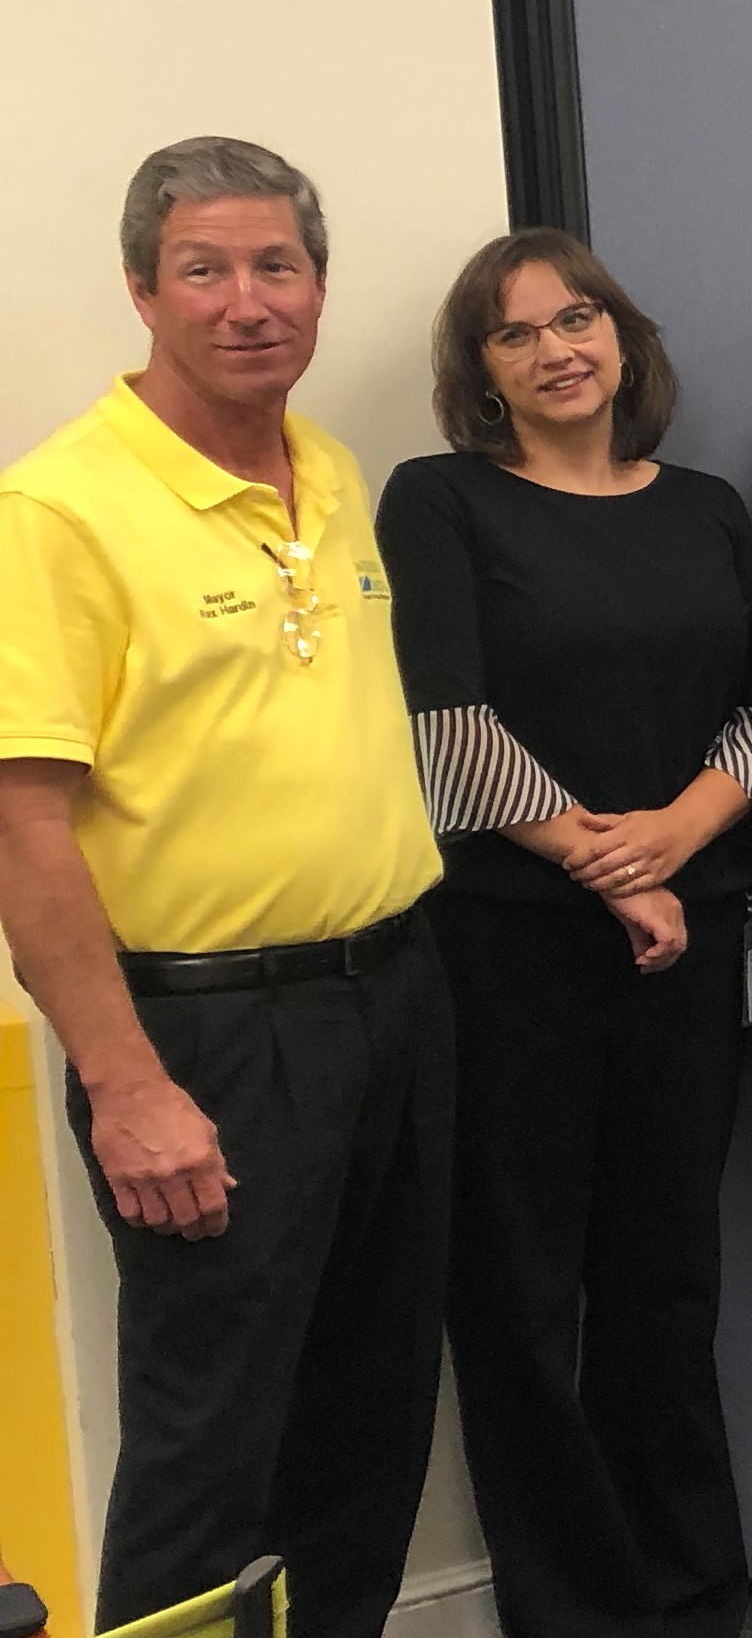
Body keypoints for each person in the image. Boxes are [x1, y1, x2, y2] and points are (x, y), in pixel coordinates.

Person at [0, 137, 451, 1638]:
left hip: (393, 994)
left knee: (371, 1411)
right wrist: (125, 1084)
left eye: (278, 266)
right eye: (205, 269)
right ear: (143, 288)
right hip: (207, 1038)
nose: (247, 301)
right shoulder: (59, 509)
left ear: (319, 286)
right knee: (213, 1442)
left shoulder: (326, 468)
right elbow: (23, 825)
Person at [377, 228, 752, 1638]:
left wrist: (677, 832)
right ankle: (576, 1608)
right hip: (511, 954)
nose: (557, 348)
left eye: (579, 317)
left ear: (624, 336)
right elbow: (439, 729)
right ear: (479, 368)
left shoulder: (709, 506)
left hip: (695, 936)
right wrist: (613, 866)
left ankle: (693, 1590)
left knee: (668, 1280)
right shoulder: (440, 502)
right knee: (520, 1294)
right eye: (516, 332)